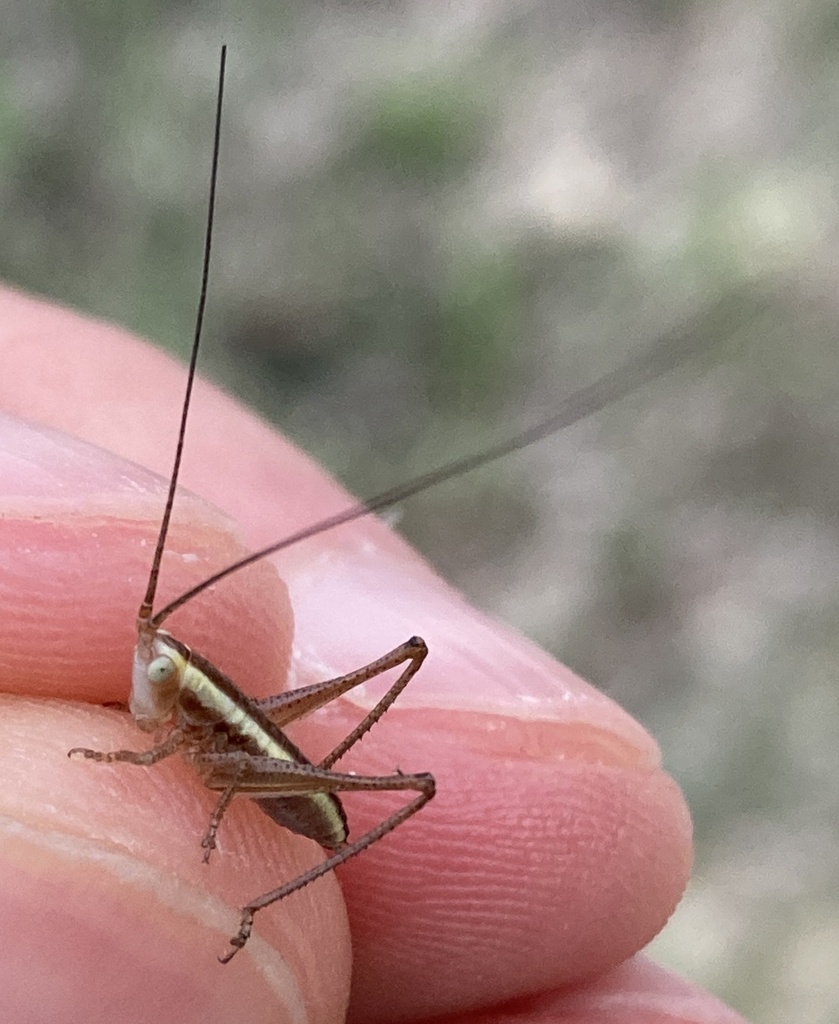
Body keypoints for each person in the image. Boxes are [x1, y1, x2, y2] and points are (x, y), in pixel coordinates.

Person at [0, 286, 746, 1023]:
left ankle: (259, 906)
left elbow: (207, 762)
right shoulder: (180, 690)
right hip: (255, 759)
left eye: (159, 671)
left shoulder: (207, 724)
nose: (148, 678)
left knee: (382, 753)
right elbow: (171, 744)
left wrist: (192, 780)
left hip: (289, 784)